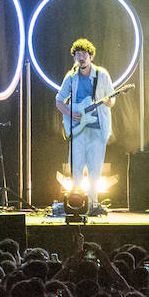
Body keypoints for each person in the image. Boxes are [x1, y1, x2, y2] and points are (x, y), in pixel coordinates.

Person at [55, 38, 117, 216]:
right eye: (77, 55)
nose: (81, 58)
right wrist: (69, 112)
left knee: (94, 168)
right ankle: (76, 203)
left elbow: (112, 99)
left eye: (84, 55)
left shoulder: (101, 75)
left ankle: (93, 203)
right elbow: (59, 100)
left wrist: (108, 101)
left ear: (91, 57)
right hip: (78, 129)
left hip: (97, 128)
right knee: (76, 166)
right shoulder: (71, 77)